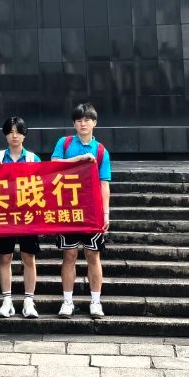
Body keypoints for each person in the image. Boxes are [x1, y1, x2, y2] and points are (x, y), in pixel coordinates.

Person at [51, 103, 111, 319]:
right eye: (79, 120)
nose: (83, 123)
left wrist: (106, 213)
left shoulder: (101, 150)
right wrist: (79, 159)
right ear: (74, 124)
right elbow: (53, 165)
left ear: (94, 123)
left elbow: (104, 183)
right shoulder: (65, 143)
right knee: (69, 255)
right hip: (68, 208)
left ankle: (96, 301)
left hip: (92, 211)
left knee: (93, 255)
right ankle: (67, 302)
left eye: (87, 120)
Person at [0, 116, 40, 318]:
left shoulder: (33, 158)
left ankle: (29, 301)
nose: (14, 136)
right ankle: (7, 301)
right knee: (5, 257)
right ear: (5, 135)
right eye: (10, 132)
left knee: (29, 257)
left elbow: (43, 185)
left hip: (27, 215)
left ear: (24, 135)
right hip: (4, 214)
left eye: (18, 132)